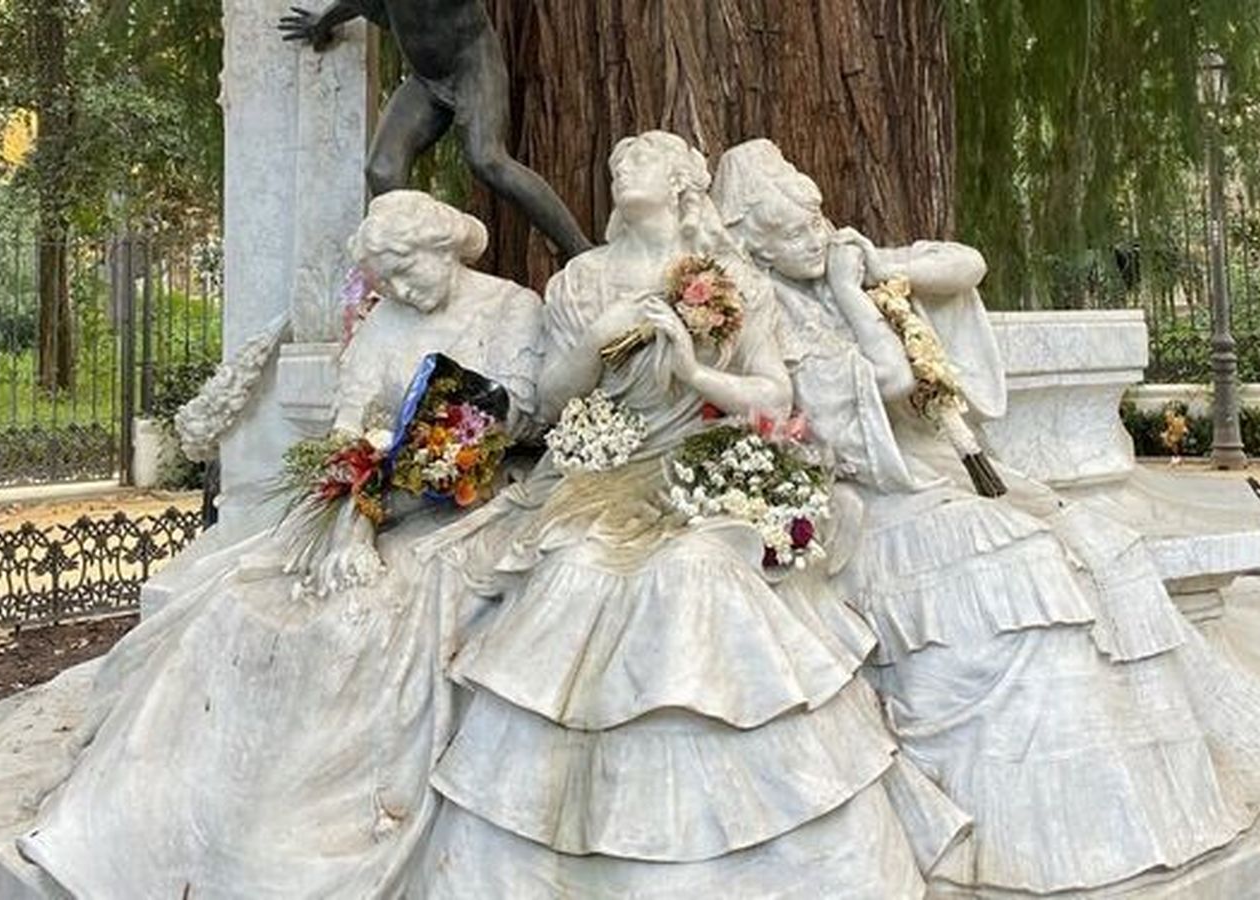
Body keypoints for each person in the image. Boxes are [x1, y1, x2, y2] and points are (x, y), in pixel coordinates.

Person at [713, 138, 1260, 894]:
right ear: (755, 243)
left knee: (1099, 544)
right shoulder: (771, 322)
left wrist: (878, 263)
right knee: (1017, 564)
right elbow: (891, 381)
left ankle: (1129, 810)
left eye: (816, 218)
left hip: (937, 481)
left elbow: (965, 264)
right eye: (793, 229)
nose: (815, 235)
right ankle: (1035, 838)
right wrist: (854, 295)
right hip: (872, 504)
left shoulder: (845, 268)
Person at [402, 131, 966, 897]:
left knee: (698, 572)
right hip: (602, 474)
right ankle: (572, 847)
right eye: (615, 163)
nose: (621, 168)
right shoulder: (581, 281)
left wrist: (695, 371)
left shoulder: (730, 280)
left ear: (682, 185)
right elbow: (556, 398)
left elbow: (775, 396)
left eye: (640, 160)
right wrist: (598, 344)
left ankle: (724, 849)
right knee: (572, 571)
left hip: (704, 471)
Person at [16, 192, 546, 898]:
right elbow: (347, 425)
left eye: (409, 272)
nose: (401, 291)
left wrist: (452, 455)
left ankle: (307, 832)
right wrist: (356, 512)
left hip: (471, 504)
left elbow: (529, 412)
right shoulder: (386, 321)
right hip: (379, 502)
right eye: (387, 280)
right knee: (239, 598)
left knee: (361, 623)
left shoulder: (510, 308)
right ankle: (186, 814)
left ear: (444, 249)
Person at [279, 0, 593, 258]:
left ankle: (581, 251)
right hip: (426, 82)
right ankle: (415, 269)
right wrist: (321, 24)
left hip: (472, 65)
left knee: (488, 159)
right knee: (382, 171)